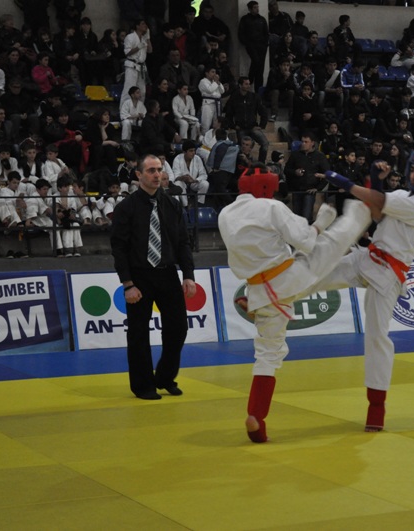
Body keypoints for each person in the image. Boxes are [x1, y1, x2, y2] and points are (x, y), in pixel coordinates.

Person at [218, 164, 371, 443]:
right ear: (266, 187)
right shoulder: (271, 207)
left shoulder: (225, 214)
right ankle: (362, 209)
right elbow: (306, 241)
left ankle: (256, 416)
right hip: (288, 278)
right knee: (331, 244)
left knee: (267, 353)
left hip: (259, 291)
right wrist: (322, 221)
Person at [310, 147, 414, 432]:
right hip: (366, 258)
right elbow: (377, 212)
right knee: (312, 274)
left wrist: (347, 183)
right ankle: (261, 299)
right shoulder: (404, 196)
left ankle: (376, 407)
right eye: (413, 170)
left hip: (388, 276)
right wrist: (374, 178)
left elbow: (379, 201)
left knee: (377, 337)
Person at [110, 153, 197, 400]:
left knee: (178, 328)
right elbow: (119, 248)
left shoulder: (172, 205)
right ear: (139, 175)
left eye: (159, 170)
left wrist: (188, 275)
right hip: (139, 276)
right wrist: (128, 284)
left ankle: (165, 377)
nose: (157, 174)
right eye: (151, 170)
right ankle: (142, 385)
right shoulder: (126, 208)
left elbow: (183, 243)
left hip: (167, 273)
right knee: (138, 333)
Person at [120, 19, 152, 108]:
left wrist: (148, 38)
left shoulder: (144, 38)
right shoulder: (130, 37)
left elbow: (150, 50)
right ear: (137, 26)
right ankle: (124, 111)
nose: (145, 25)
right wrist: (138, 47)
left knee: (142, 91)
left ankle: (138, 110)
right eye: (143, 24)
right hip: (132, 65)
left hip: (141, 67)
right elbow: (127, 53)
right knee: (129, 89)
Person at [238, 1, 269, 90]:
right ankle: (250, 80)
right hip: (251, 45)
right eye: (255, 7)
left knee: (260, 68)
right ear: (250, 9)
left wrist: (265, 44)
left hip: (262, 45)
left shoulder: (262, 19)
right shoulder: (245, 19)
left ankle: (258, 89)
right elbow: (241, 33)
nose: (257, 9)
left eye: (257, 7)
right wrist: (247, 43)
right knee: (256, 61)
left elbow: (266, 33)